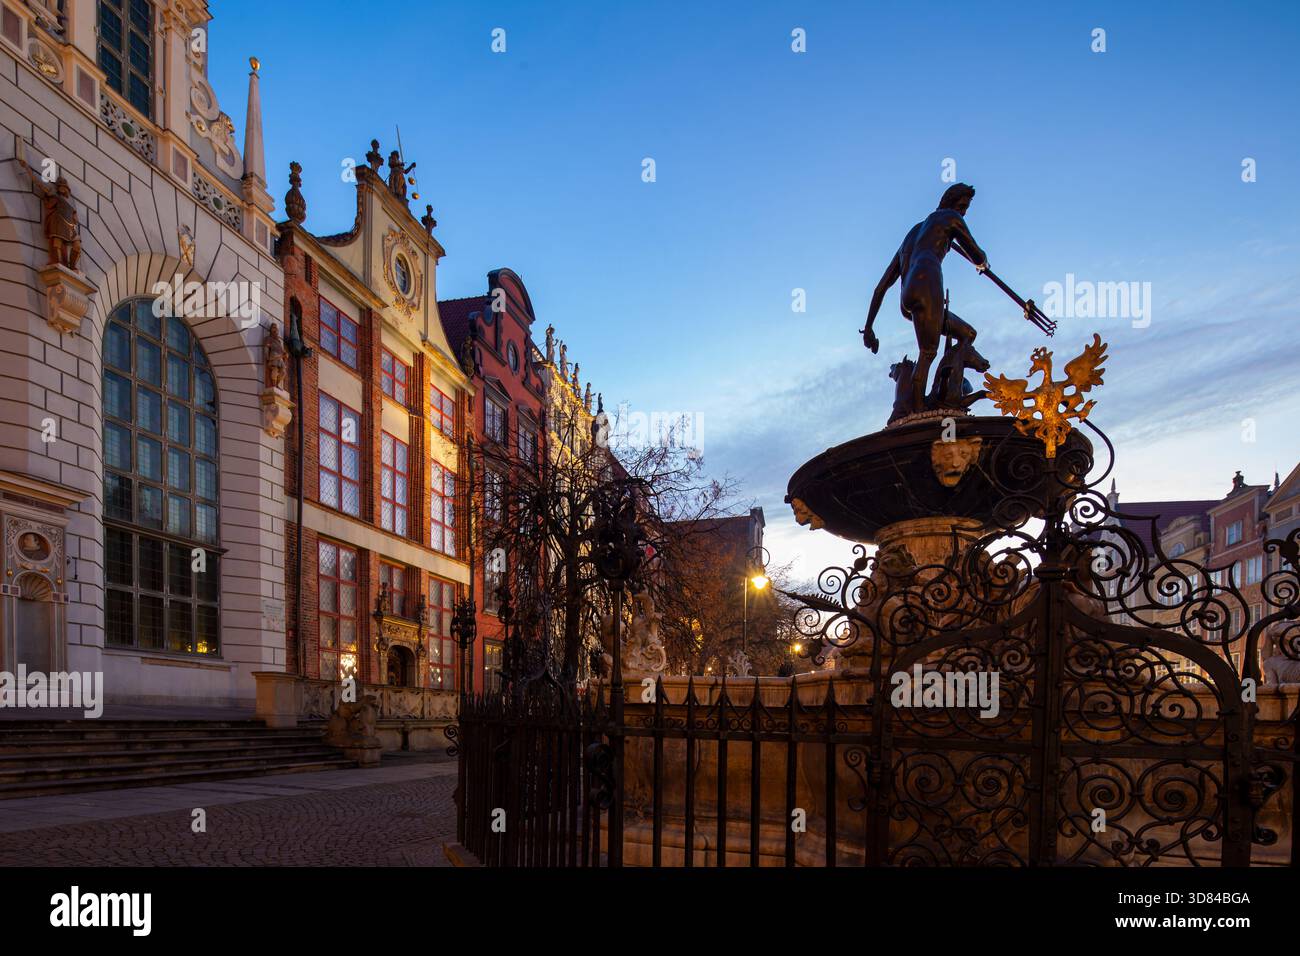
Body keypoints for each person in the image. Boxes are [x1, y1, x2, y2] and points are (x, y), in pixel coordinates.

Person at [862, 183, 991, 413]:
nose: (963, 213)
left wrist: (869, 327)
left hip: (907, 297)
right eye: (962, 207)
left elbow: (881, 287)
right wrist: (982, 263)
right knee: (928, 352)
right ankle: (920, 410)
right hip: (927, 282)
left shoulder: (912, 234)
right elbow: (976, 252)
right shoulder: (950, 218)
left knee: (967, 335)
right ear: (951, 203)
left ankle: (945, 389)